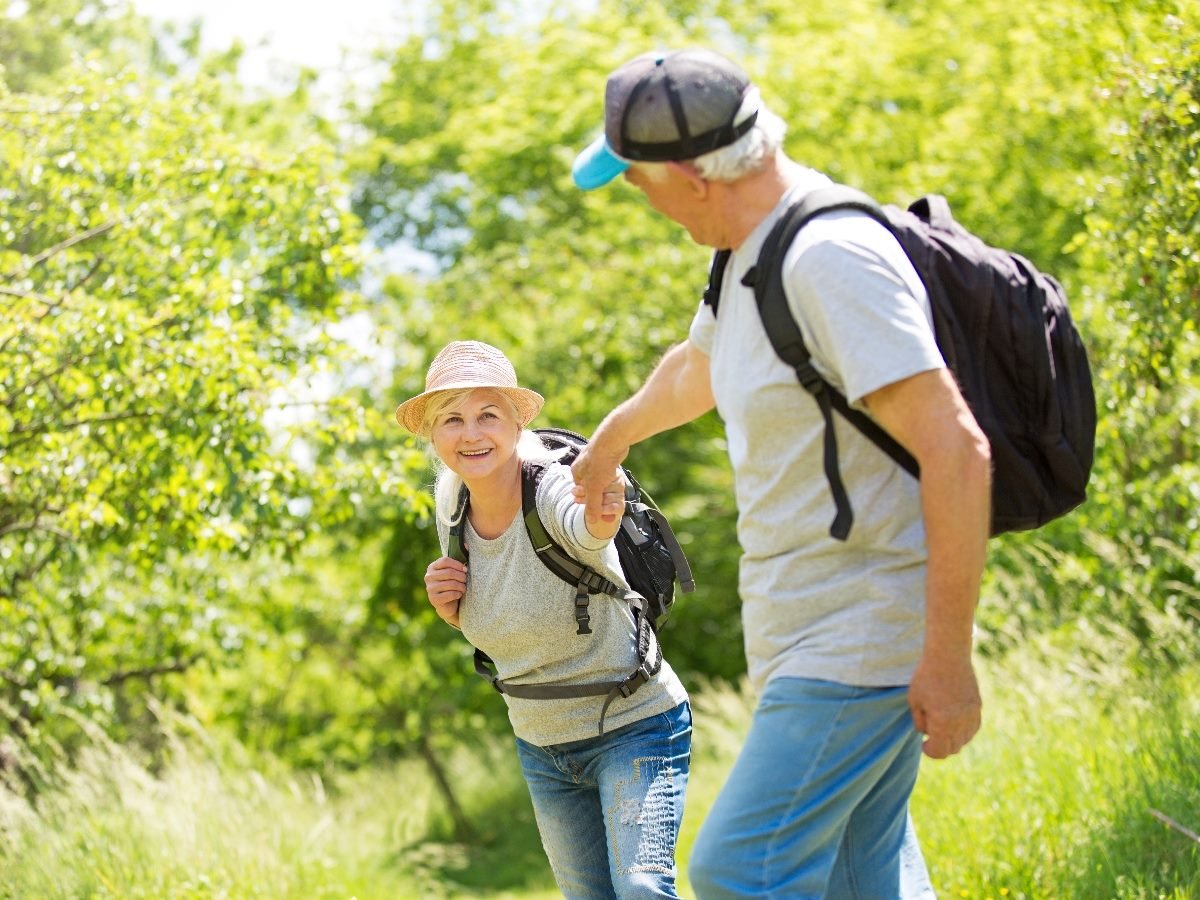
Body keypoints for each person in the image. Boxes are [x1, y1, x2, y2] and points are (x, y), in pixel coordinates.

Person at [569, 49, 992, 898]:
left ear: (691, 174)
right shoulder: (747, 256)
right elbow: (697, 370)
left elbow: (955, 449)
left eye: (639, 182)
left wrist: (948, 659)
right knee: (862, 876)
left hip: (861, 636)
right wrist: (608, 443)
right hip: (809, 635)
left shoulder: (827, 256)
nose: (640, 201)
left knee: (740, 869)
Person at [403, 340, 692, 900]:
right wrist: (452, 612)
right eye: (452, 419)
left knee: (640, 890)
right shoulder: (453, 513)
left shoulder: (552, 484)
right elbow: (518, 623)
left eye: (488, 415)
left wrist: (599, 518)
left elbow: (583, 531)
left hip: (635, 725)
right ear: (434, 437)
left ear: (516, 424)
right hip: (543, 748)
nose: (471, 433)